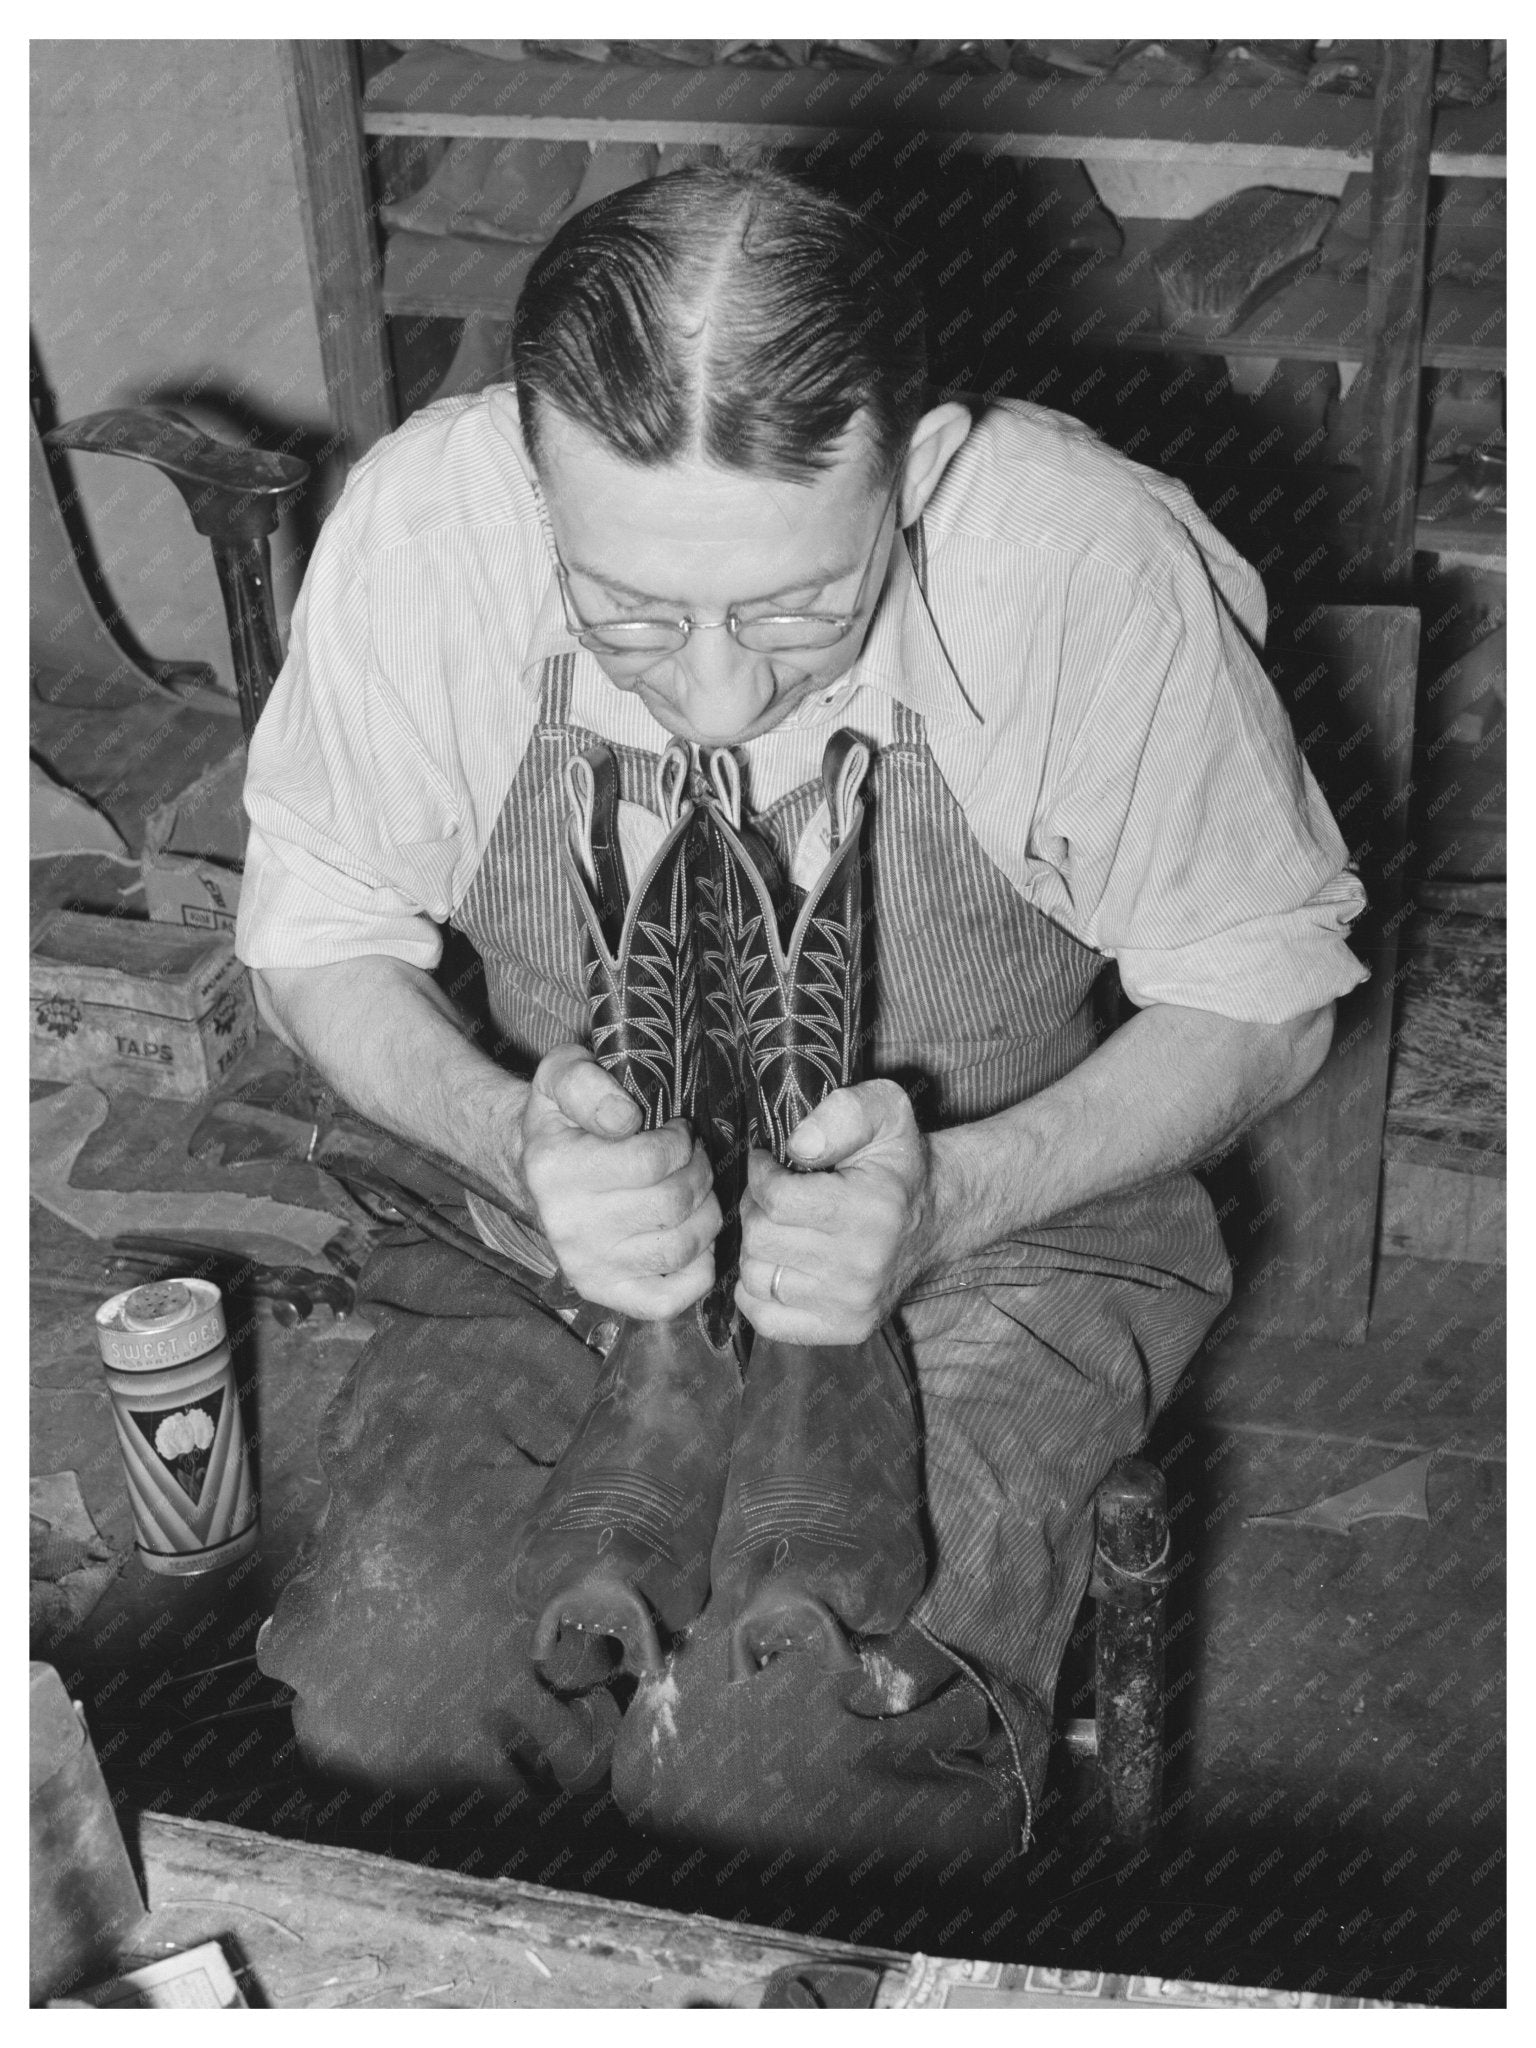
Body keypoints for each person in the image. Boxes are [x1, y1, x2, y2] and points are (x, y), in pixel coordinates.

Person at [237, 161, 1365, 1935]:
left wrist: (959, 1191)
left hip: (989, 1234)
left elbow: (1271, 993)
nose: (713, 698)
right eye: (625, 618)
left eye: (791, 615)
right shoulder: (429, 532)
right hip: (556, 1229)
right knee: (391, 1708)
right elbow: (315, 932)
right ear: (534, 483)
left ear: (908, 472)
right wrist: (501, 1126)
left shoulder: (1073, 563)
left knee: (794, 1783)